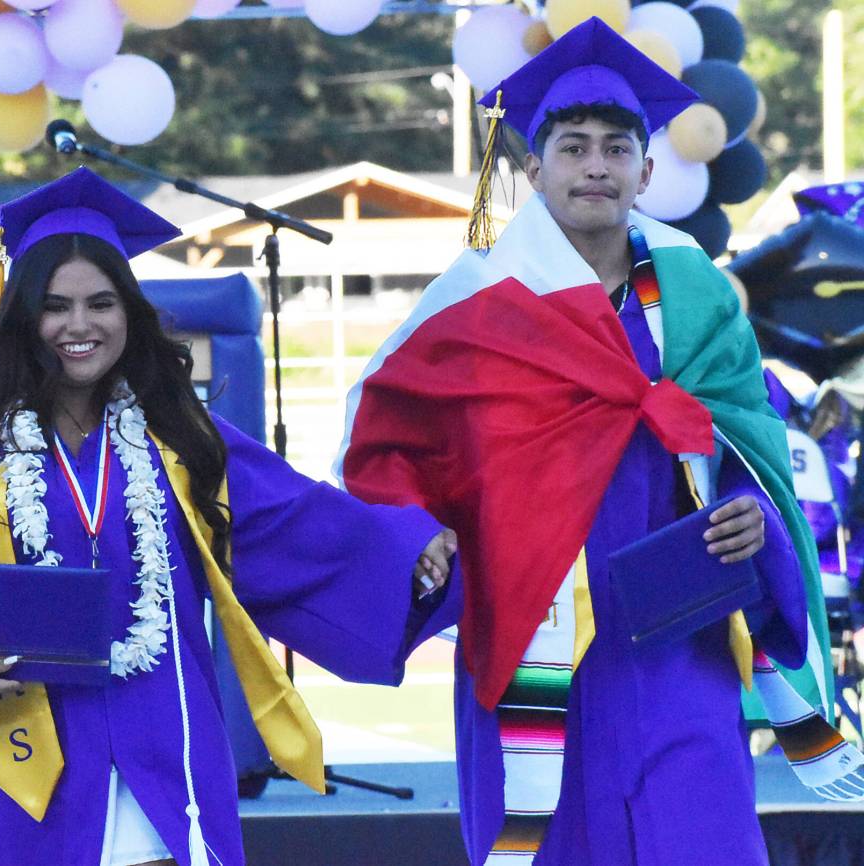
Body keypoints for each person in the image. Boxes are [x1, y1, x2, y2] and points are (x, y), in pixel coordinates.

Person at [336, 18, 831, 866]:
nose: (595, 165)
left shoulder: (696, 297)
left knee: (705, 839)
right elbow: (387, 448)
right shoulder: (475, 304)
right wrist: (419, 536)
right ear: (533, 170)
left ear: (646, 171)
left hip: (682, 640)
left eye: (615, 147)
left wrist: (754, 517)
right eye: (571, 147)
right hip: (536, 635)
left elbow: (748, 446)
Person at [0, 167, 459, 866]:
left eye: (101, 303)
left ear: (130, 314)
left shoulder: (179, 441)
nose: (78, 326)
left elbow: (299, 519)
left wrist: (404, 545)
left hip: (161, 741)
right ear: (25, 318)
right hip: (20, 752)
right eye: (55, 306)